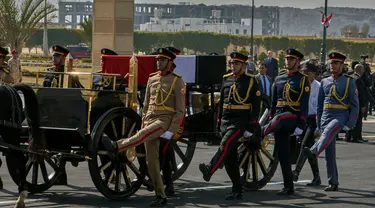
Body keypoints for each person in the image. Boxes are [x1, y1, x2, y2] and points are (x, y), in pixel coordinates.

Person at [102, 48, 185, 207]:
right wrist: (144, 120)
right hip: (150, 119)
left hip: (164, 120)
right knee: (151, 163)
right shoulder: (152, 79)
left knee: (141, 135)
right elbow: (146, 105)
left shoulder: (177, 81)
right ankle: (161, 195)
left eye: (162, 60)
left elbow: (180, 110)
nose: (159, 62)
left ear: (170, 62)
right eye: (158, 60)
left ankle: (117, 145)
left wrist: (171, 130)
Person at [198, 52, 261, 200]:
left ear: (244, 66)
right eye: (232, 63)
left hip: (240, 121)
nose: (233, 66)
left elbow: (256, 106)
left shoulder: (251, 81)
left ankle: (210, 169)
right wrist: (219, 121)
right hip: (226, 120)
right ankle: (237, 189)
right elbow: (221, 103)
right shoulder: (226, 79)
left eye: (237, 64)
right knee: (229, 159)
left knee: (225, 144)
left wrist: (251, 127)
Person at [304, 52, 359, 192]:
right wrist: (319, 120)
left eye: (336, 63)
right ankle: (333, 182)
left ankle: (313, 151)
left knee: (329, 131)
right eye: (331, 63)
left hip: (340, 115)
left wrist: (350, 123)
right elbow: (319, 104)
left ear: (342, 65)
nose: (332, 65)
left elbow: (354, 104)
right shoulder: (325, 81)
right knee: (329, 151)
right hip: (325, 115)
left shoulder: (349, 81)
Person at [262, 48, 309, 195]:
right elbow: (273, 104)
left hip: (292, 117)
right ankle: (289, 187)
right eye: (287, 59)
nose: (288, 62)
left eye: (291, 59)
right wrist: (271, 118)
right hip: (278, 117)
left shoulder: (302, 80)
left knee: (280, 118)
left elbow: (304, 105)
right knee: (283, 154)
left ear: (298, 62)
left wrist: (301, 125)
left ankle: (258, 133)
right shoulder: (279, 79)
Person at [292, 60, 321, 186]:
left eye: (307, 72)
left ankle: (296, 172)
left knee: (304, 144)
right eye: (303, 72)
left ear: (314, 74)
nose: (304, 74)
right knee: (308, 148)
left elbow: (321, 108)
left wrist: (319, 127)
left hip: (314, 119)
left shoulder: (319, 87)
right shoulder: (301, 85)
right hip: (302, 118)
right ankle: (317, 177)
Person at [345, 64, 367, 143]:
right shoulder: (358, 80)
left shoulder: (350, 78)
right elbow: (360, 93)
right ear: (360, 70)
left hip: (349, 103)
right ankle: (356, 137)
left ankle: (348, 136)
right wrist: (363, 105)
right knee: (357, 121)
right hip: (357, 103)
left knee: (350, 119)